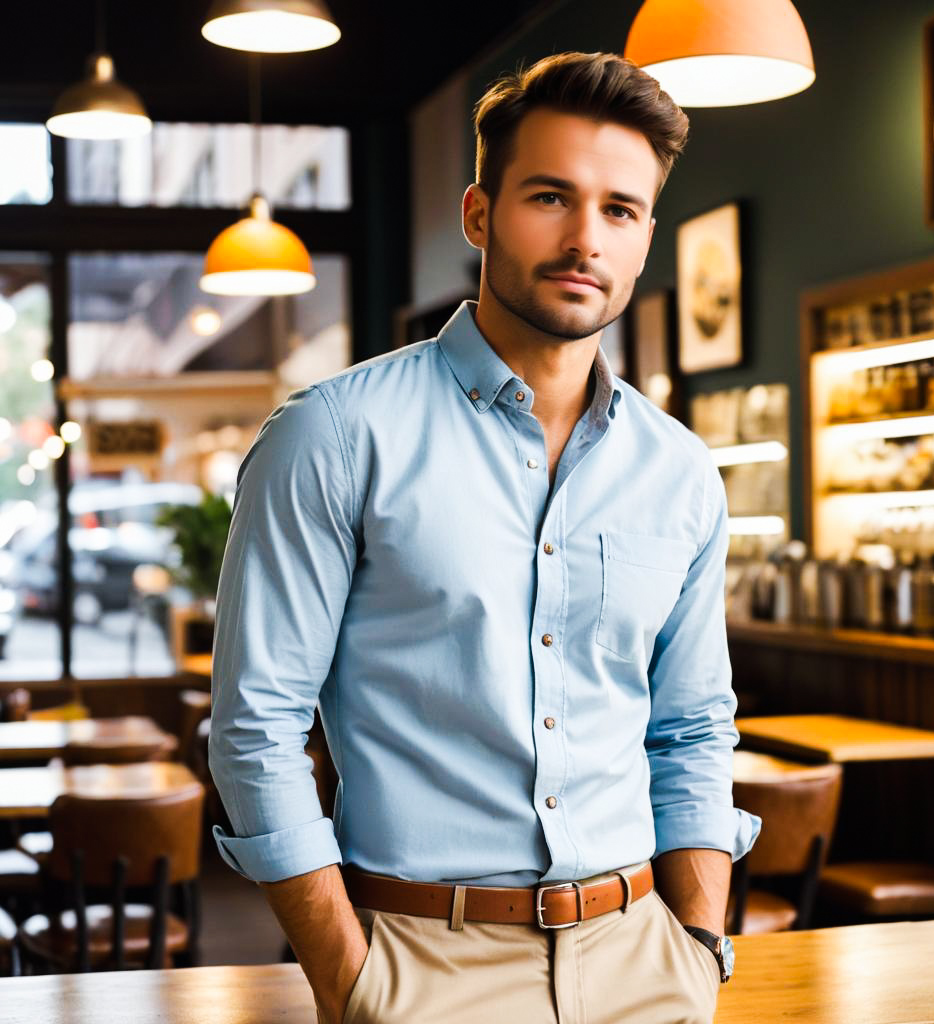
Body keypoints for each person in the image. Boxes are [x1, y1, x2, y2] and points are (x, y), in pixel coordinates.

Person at [209, 50, 760, 1024]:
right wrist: (348, 975)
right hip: (422, 964)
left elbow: (691, 728)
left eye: (620, 210)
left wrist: (699, 941)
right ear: (479, 214)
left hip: (646, 960)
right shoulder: (333, 436)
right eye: (550, 197)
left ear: (643, 241)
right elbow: (256, 728)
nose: (585, 237)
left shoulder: (679, 472)